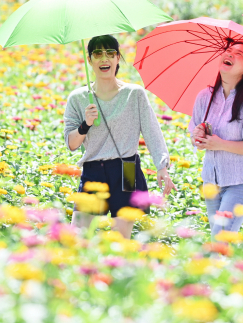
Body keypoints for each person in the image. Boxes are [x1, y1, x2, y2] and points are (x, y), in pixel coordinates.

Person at [64, 35, 176, 238]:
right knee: (77, 237)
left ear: (118, 58)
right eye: (97, 53)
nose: (104, 59)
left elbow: (152, 131)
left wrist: (162, 167)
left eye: (110, 53)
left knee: (120, 240)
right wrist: (85, 125)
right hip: (93, 170)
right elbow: (72, 144)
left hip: (128, 169)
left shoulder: (134, 94)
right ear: (89, 60)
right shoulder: (78, 98)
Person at [189, 41, 243, 238]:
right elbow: (194, 135)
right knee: (220, 239)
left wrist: (220, 144)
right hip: (212, 180)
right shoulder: (205, 96)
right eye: (228, 51)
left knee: (220, 239)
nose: (230, 54)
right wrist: (197, 136)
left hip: (242, 181)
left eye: (239, 54)